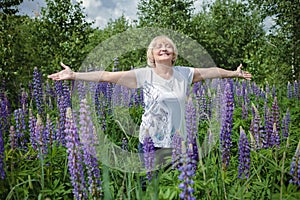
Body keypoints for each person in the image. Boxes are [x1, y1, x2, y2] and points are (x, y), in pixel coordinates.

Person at [48, 35, 251, 163]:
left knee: (184, 189)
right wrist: (75, 75)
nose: (163, 48)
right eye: (158, 46)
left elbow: (211, 71)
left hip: (181, 142)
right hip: (150, 143)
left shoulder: (185, 73)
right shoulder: (144, 74)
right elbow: (106, 76)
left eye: (168, 46)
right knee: (151, 190)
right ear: (152, 55)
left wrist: (234, 73)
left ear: (173, 55)